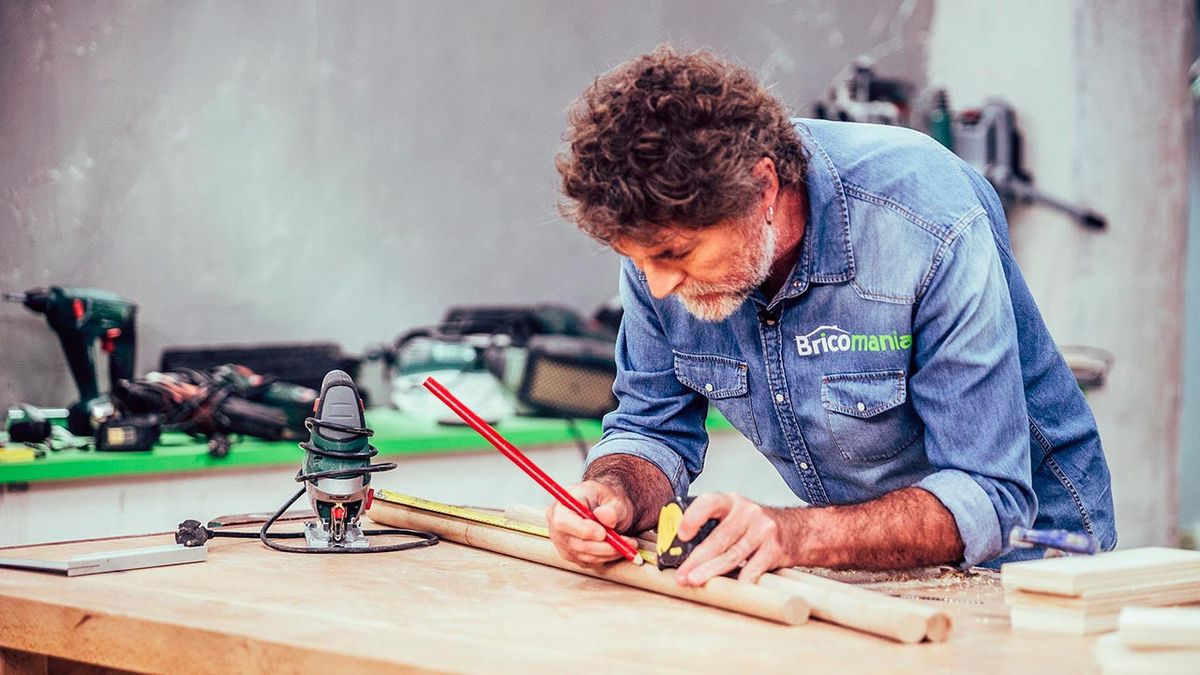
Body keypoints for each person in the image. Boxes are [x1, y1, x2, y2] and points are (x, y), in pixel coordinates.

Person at [547, 46, 1116, 587]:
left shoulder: (926, 225)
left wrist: (794, 534)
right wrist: (612, 490)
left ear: (762, 187)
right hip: (865, 554)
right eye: (636, 260)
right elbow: (651, 428)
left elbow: (989, 494)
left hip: (1031, 554)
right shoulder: (660, 249)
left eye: (674, 255)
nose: (657, 285)